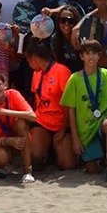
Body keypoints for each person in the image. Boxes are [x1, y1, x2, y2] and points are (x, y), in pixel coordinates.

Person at [61, 40, 107, 179]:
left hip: (101, 120)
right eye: (87, 53)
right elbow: (71, 110)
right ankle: (98, 158)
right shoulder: (74, 79)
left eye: (94, 53)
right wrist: (75, 138)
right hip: (85, 130)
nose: (91, 57)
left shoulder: (106, 74)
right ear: (81, 56)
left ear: (100, 55)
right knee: (92, 169)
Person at [0, 70, 38, 184]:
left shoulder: (13, 94)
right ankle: (0, 167)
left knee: (21, 123)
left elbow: (33, 116)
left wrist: (3, 112)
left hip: (17, 138)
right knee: (1, 156)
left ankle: (27, 171)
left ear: (5, 85)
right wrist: (9, 141)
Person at [25, 41, 75, 171]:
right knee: (36, 157)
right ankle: (48, 149)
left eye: (28, 59)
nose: (28, 63)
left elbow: (68, 104)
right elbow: (36, 100)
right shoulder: (36, 73)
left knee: (67, 165)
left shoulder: (62, 71)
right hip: (42, 121)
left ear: (34, 58)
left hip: (62, 123)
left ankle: (57, 150)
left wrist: (63, 129)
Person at [50, 5, 83, 72]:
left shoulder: (82, 37)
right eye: (63, 20)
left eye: (71, 21)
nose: (66, 24)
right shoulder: (55, 39)